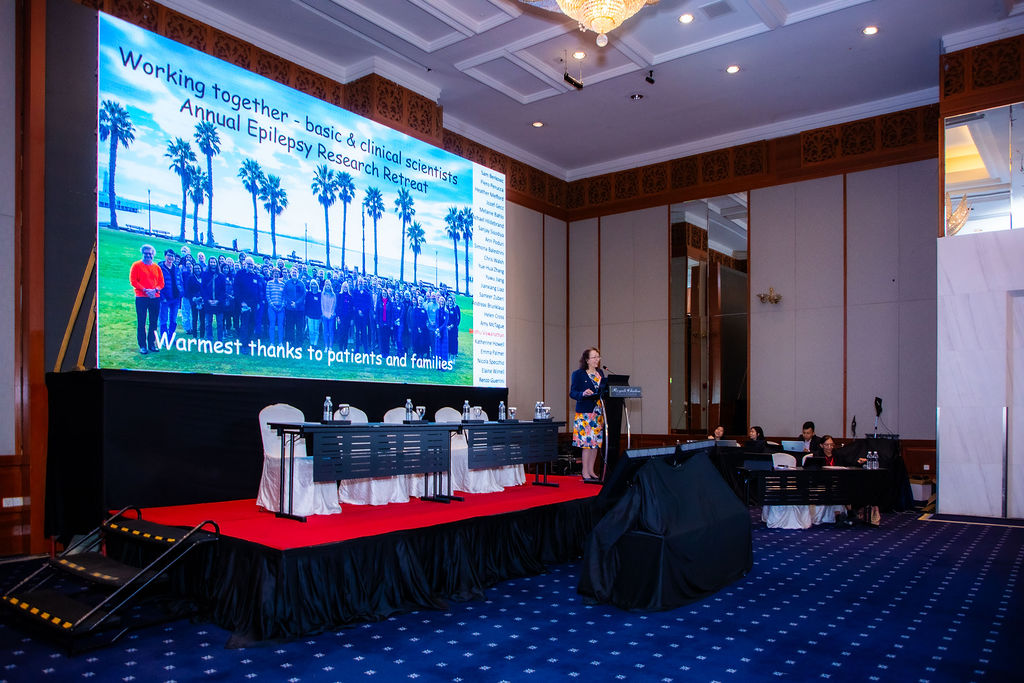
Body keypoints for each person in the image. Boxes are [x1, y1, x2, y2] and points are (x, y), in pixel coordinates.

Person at [569, 346, 606, 482]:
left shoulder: (600, 373)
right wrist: (583, 393)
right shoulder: (578, 374)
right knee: (587, 444)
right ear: (587, 360)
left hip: (598, 413)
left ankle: (591, 471)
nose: (597, 359)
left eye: (598, 357)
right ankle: (585, 472)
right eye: (594, 357)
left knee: (595, 444)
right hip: (585, 414)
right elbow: (572, 393)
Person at [129, 244, 164, 354]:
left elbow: (161, 283)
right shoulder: (136, 265)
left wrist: (155, 290)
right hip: (141, 297)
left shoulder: (157, 267)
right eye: (146, 253)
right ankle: (142, 345)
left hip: (155, 297)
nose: (148, 255)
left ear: (153, 254)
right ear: (142, 253)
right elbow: (133, 281)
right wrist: (145, 290)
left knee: (153, 322)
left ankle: (152, 343)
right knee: (141, 321)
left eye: (150, 253)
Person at [157, 248, 182, 338]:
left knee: (173, 319)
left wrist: (181, 293)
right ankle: (164, 338)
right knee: (163, 319)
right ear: (165, 256)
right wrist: (161, 296)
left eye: (172, 256)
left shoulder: (176, 268)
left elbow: (180, 281)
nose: (171, 258)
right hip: (165, 298)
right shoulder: (160, 268)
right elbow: (157, 283)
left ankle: (171, 337)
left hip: (175, 298)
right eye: (169, 255)